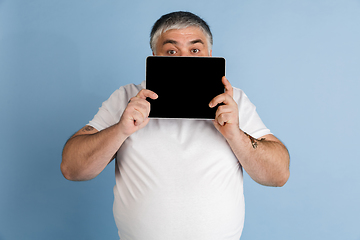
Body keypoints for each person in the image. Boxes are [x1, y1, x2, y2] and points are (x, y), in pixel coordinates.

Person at [61, 11, 290, 240]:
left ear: (209, 55)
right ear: (154, 56)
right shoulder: (127, 98)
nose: (184, 59)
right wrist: (121, 129)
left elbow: (278, 175)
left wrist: (235, 134)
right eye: (171, 51)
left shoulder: (233, 101)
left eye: (195, 50)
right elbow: (73, 169)